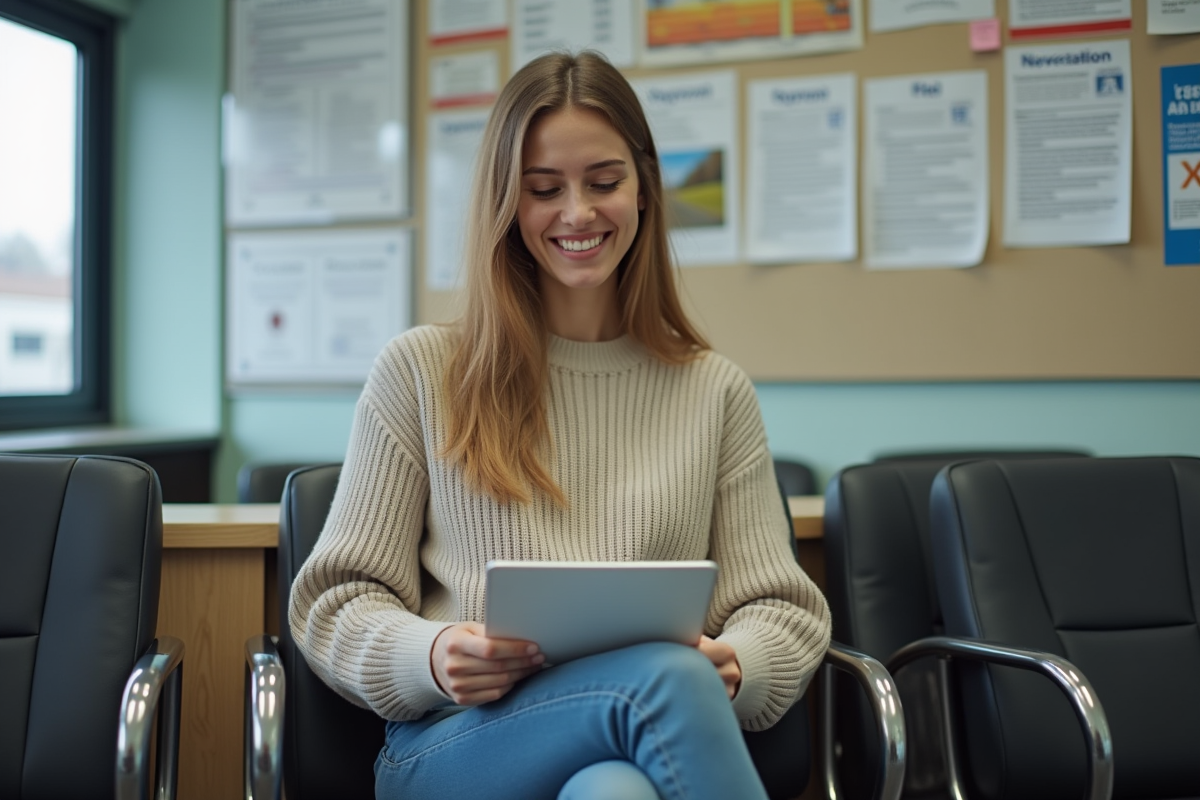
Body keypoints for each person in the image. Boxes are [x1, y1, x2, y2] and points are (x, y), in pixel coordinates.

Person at [288, 50, 831, 800]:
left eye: (604, 182)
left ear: (644, 187)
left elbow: (781, 607)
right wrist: (434, 651)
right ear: (508, 202)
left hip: (639, 741)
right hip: (456, 746)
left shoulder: (714, 390)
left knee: (615, 792)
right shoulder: (420, 370)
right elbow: (334, 602)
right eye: (544, 189)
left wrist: (740, 661)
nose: (578, 213)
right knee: (663, 683)